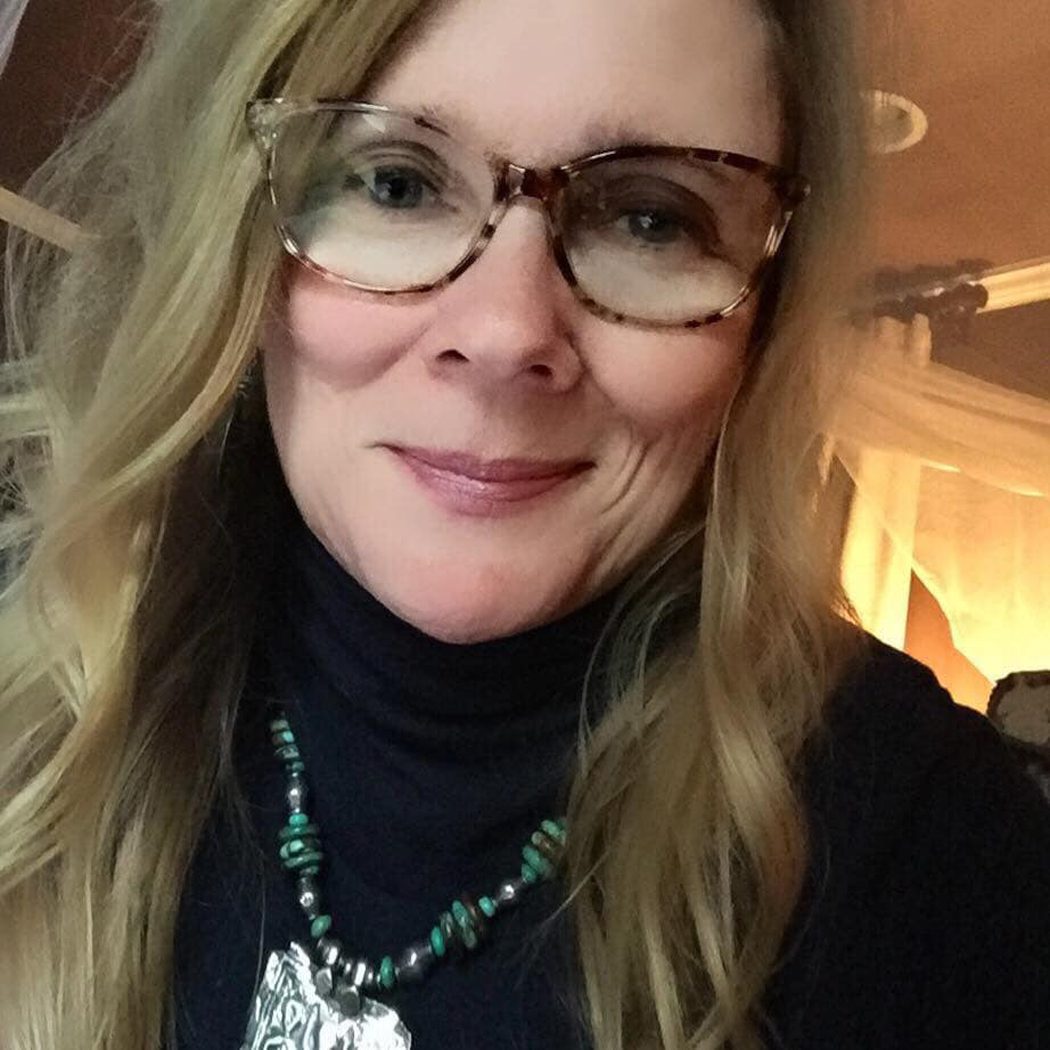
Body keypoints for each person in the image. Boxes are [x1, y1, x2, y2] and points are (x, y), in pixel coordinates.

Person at [1, 0, 1048, 1048]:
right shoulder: (40, 715)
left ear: (763, 320)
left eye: (649, 219)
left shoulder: (933, 852)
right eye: (397, 183)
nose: (507, 334)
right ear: (231, 238)